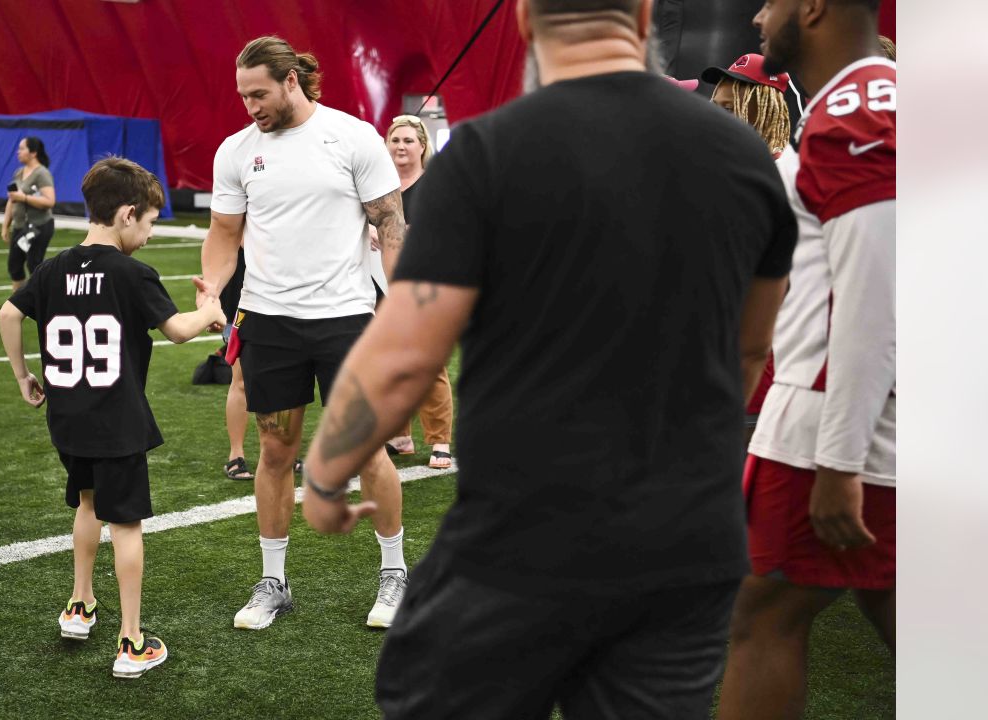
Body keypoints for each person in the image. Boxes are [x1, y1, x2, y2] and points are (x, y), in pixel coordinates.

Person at [299, 0, 798, 716]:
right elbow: (750, 349)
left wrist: (324, 475)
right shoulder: (747, 156)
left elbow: (404, 355)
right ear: (646, 15)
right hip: (687, 537)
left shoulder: (489, 151)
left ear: (526, 19)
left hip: (526, 536)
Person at [196, 35, 410, 630]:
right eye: (242, 96)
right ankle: (273, 583)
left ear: (292, 80)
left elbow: (390, 221)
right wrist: (213, 288)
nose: (250, 107)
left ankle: (394, 574)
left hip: (345, 321)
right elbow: (223, 232)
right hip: (268, 323)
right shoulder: (236, 151)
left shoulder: (352, 137)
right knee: (275, 452)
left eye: (258, 93)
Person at [718, 2, 896, 718]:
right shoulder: (871, 103)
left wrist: (839, 462)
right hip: (868, 408)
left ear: (814, 6)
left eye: (773, 1)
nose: (760, 17)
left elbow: (870, 298)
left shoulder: (858, 113)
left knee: (762, 617)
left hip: (835, 418)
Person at [0, 157, 224, 678]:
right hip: (116, 421)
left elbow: (9, 313)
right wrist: (211, 310)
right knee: (125, 526)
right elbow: (178, 331)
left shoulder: (53, 268)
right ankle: (132, 641)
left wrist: (22, 376)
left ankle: (79, 605)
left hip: (69, 418)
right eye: (147, 223)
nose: (148, 235)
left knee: (86, 503)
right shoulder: (131, 272)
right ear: (126, 214)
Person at [701, 53, 795, 443]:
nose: (718, 117)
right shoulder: (739, 169)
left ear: (762, 108)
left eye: (729, 107)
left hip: (759, 377)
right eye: (716, 106)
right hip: (728, 365)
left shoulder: (779, 176)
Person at [379, 115, 454, 470]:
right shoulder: (379, 187)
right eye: (395, 140)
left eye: (408, 140)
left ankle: (440, 440)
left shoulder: (437, 186)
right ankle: (400, 434)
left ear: (422, 146)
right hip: (381, 284)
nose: (400, 147)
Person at [1, 136, 57, 291]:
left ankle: (45, 300)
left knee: (34, 264)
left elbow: (50, 201)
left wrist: (24, 197)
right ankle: (17, 303)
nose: (18, 152)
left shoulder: (42, 174)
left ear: (33, 153)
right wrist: (5, 225)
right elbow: (11, 200)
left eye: (22, 148)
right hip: (21, 226)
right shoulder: (19, 173)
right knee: (15, 264)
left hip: (38, 226)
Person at [220, 245, 254, 480]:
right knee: (241, 380)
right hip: (241, 296)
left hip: (285, 297)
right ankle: (236, 454)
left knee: (284, 380)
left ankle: (287, 452)